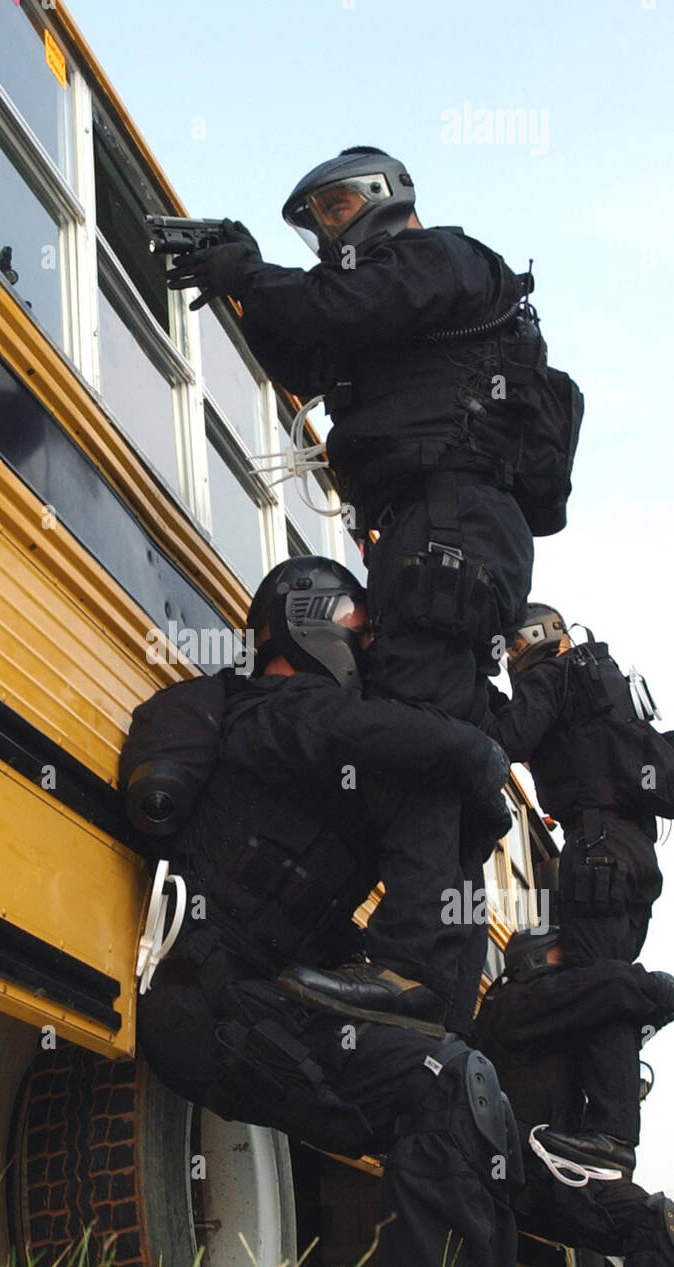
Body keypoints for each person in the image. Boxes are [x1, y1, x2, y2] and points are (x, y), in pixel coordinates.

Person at [165, 146, 581, 1033]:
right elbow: (311, 347)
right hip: (448, 528)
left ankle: (412, 971)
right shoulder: (414, 303)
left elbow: (343, 305)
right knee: (445, 741)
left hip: (445, 525)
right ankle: (438, 1009)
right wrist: (248, 291)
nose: (328, 226)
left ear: (392, 196)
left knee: (420, 732)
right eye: (315, 216)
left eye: (339, 203)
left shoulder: (443, 259)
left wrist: (251, 270)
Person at [121, 556, 521, 1267]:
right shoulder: (258, 715)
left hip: (267, 1008)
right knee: (443, 1086)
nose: (366, 647)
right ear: (304, 619)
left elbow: (401, 769)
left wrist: (469, 821)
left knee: (463, 1093)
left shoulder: (352, 760)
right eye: (357, 629)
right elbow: (348, 729)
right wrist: (470, 750)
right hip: (203, 1005)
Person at [482, 605, 674, 1172]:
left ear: (528, 642)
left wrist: (470, 696)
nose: (508, 666)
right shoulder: (602, 684)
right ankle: (604, 1126)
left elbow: (511, 737)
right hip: (634, 851)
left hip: (595, 847)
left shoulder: (553, 676)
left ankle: (612, 1133)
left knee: (598, 987)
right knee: (599, 992)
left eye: (509, 654)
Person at [475, 928, 674, 1267]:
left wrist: (651, 1011)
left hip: (556, 1174)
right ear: (536, 959)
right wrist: (649, 987)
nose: (576, 970)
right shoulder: (516, 1003)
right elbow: (608, 985)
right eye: (566, 958)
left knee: (653, 1223)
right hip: (517, 1170)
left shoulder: (556, 1019)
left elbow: (604, 1001)